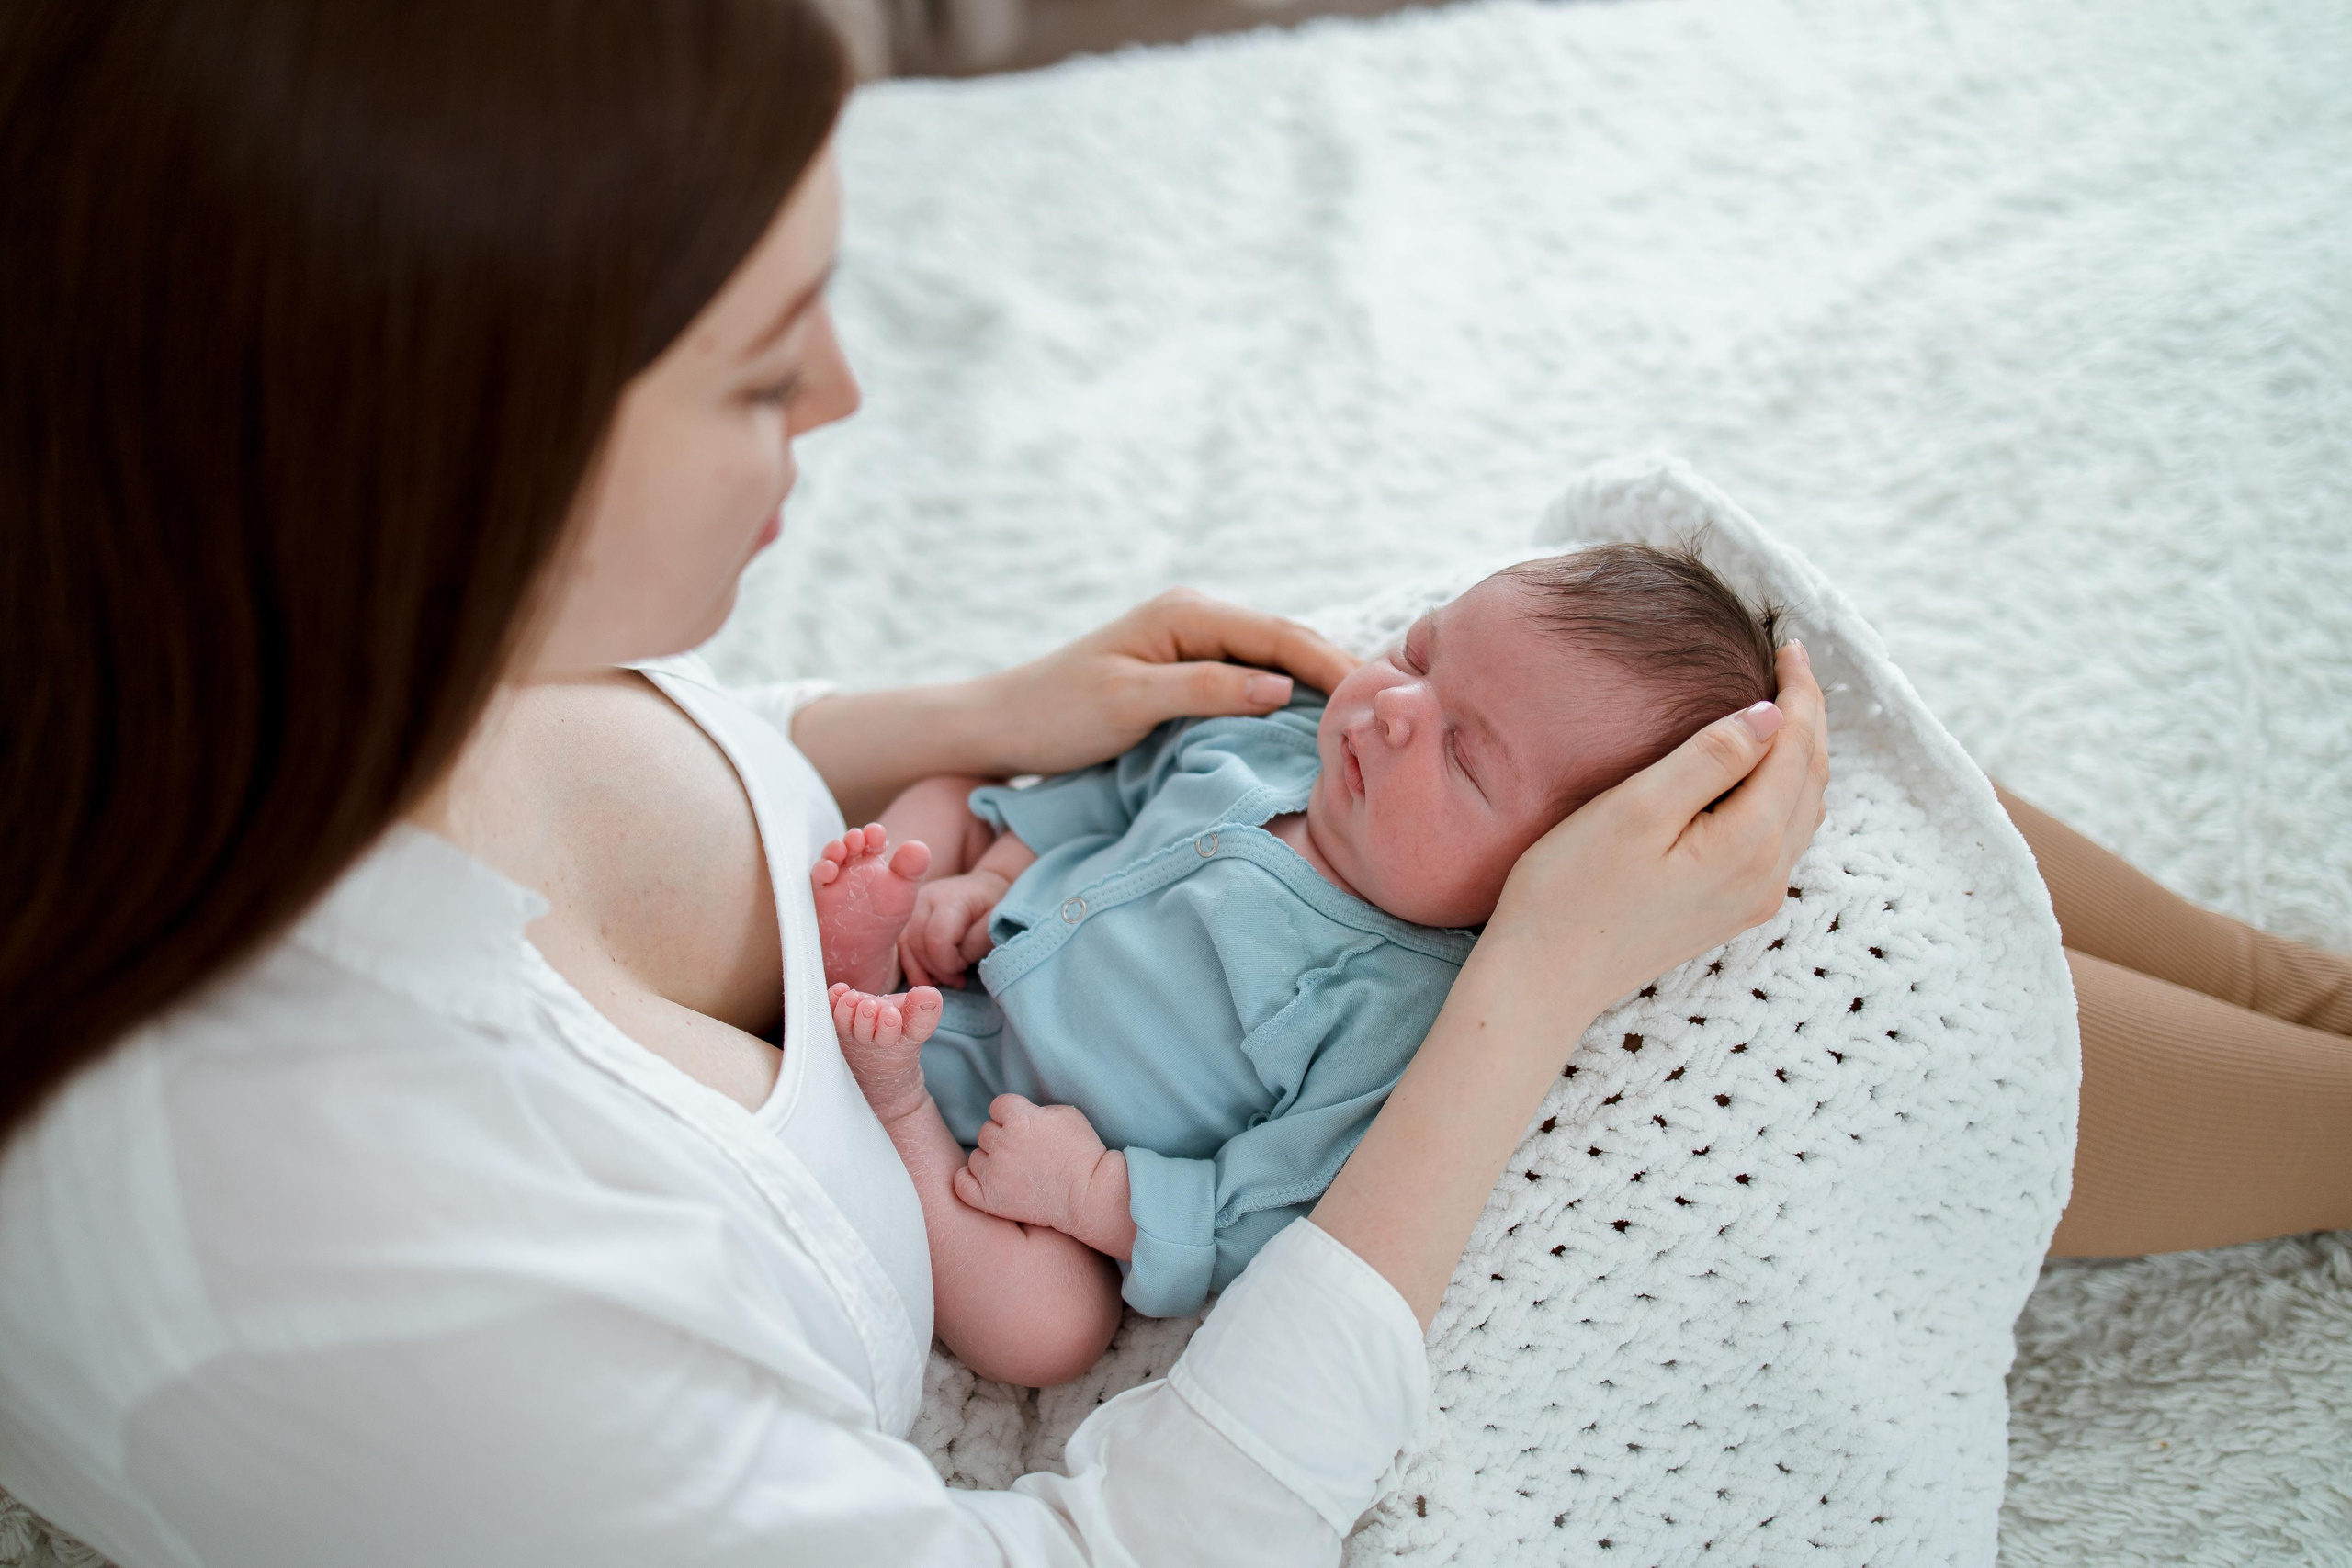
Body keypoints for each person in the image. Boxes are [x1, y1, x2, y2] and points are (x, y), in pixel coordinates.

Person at [0, 3, 2339, 1565]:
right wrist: (1517, 991)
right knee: (1779, 940)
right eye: (746, 366)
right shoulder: (348, 1268)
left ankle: (2292, 990)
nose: (838, 397)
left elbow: (657, 761)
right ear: (422, 469)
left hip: (1002, 983)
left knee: (1657, 660)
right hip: (1094, 1294)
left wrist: (964, 716)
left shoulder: (268, 648)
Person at [804, 545, 1781, 1385]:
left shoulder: (1396, 1012)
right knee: (947, 793)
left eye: (1465, 758)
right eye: (1418, 652)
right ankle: (862, 952)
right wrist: (993, 877)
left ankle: (891, 1104)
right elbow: (1106, 788)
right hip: (962, 954)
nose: (1394, 705)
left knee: (1048, 1331)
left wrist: (1095, 1190)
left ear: (1547, 869)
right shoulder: (1271, 739)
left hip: (1006, 1157)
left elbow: (1261, 1206)